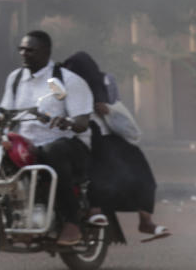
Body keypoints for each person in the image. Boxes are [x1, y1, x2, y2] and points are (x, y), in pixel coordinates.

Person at [61, 51, 171, 243]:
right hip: (82, 138)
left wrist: (106, 109)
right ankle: (94, 210)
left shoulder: (104, 82)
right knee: (97, 169)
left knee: (138, 168)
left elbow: (115, 105)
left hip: (108, 136)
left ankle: (145, 220)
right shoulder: (64, 84)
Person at [0, 30, 95, 246]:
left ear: (46, 52)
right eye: (22, 49)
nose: (24, 54)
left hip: (69, 144)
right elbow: (6, 112)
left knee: (53, 152)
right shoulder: (15, 79)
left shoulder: (67, 80)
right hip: (28, 144)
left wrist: (66, 121)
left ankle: (72, 221)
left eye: (30, 50)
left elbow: (82, 123)